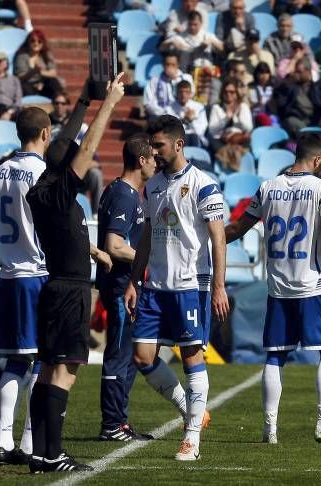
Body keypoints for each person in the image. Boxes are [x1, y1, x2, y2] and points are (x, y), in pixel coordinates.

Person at [224, 132, 321, 446]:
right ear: (317, 160)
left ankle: (269, 429)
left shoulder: (267, 187)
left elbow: (236, 229)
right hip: (314, 284)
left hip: (279, 287)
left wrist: (208, 241)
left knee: (275, 355)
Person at [25, 74, 123, 473]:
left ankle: (39, 454)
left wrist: (83, 100)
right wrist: (110, 104)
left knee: (49, 370)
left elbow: (68, 143)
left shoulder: (41, 188)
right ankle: (52, 454)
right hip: (69, 291)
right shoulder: (62, 190)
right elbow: (85, 146)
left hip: (56, 285)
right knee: (64, 373)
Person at [124, 114, 229, 462]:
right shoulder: (152, 185)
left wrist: (218, 286)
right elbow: (146, 236)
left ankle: (191, 439)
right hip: (155, 286)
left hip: (189, 285)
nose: (153, 151)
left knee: (191, 358)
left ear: (178, 144)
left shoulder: (204, 184)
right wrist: (134, 280)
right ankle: (191, 411)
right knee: (142, 356)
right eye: (151, 145)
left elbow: (218, 238)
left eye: (159, 145)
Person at [0, 106, 51, 466]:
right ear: (45, 134)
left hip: (7, 277)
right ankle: (27, 442)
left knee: (14, 361)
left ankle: (2, 439)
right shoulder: (41, 172)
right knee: (41, 358)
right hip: (35, 273)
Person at [96, 133, 157, 442]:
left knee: (132, 353)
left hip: (125, 285)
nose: (157, 164)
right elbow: (114, 245)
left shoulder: (124, 191)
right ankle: (111, 424)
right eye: (154, 158)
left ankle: (119, 420)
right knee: (119, 352)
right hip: (121, 287)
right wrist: (150, 258)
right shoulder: (125, 195)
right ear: (142, 160)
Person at [48, 93, 104, 213]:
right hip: (56, 172)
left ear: (67, 106)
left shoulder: (82, 127)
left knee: (96, 174)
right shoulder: (48, 127)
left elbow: (95, 160)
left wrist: (83, 164)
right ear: (52, 105)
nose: (59, 106)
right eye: (56, 103)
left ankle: (96, 214)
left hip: (79, 171)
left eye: (63, 103)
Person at [276, 58, 321, 136]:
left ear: (308, 72)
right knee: (296, 126)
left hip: (315, 118)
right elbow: (281, 103)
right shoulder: (290, 84)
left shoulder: (316, 85)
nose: (297, 74)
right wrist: (290, 83)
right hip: (298, 118)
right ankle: (295, 146)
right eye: (296, 71)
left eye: (299, 72)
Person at [208, 79, 253, 169]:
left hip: (238, 138)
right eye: (226, 92)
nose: (229, 94)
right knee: (214, 143)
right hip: (221, 139)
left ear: (236, 93)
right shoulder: (216, 107)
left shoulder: (243, 106)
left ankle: (234, 167)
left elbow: (248, 127)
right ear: (222, 93)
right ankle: (231, 167)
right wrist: (226, 119)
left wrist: (236, 118)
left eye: (232, 92)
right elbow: (212, 130)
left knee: (246, 143)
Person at [14, 30, 65, 99]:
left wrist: (39, 72)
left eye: (39, 41)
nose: (36, 43)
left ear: (43, 43)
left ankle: (60, 101)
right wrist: (33, 71)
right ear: (28, 42)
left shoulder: (46, 55)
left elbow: (53, 73)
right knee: (24, 86)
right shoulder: (22, 56)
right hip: (28, 85)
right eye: (33, 41)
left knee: (53, 81)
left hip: (43, 85)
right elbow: (20, 76)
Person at [144, 53, 195, 121]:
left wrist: (174, 80)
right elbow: (148, 104)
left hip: (182, 117)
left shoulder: (187, 78)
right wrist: (166, 114)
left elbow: (190, 97)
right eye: (167, 64)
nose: (170, 67)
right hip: (161, 118)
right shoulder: (154, 81)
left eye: (173, 65)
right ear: (163, 65)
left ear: (178, 65)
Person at [165, 80, 209, 148]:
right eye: (181, 92)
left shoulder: (199, 107)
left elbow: (201, 130)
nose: (183, 95)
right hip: (178, 139)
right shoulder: (169, 108)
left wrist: (192, 120)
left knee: (194, 137)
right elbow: (169, 130)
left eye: (186, 92)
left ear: (190, 93)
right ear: (176, 93)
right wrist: (184, 120)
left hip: (196, 137)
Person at [249, 62, 276, 126]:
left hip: (269, 116)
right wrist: (257, 104)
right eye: (261, 73)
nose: (264, 76)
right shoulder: (250, 88)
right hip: (255, 117)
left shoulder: (273, 88)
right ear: (256, 74)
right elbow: (247, 108)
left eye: (267, 73)